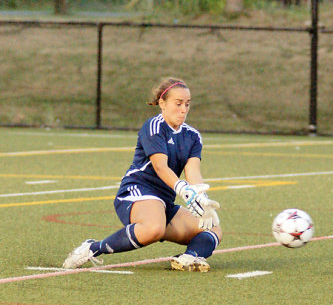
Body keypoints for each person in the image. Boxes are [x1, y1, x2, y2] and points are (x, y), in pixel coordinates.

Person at [63, 77, 222, 272]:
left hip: (164, 201)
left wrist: (201, 198)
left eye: (187, 104)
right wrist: (183, 189)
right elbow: (160, 166)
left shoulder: (193, 136)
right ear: (162, 104)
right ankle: (92, 248)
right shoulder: (154, 127)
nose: (183, 109)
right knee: (154, 228)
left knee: (213, 228)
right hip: (138, 190)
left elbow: (193, 171)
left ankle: (189, 258)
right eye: (178, 103)